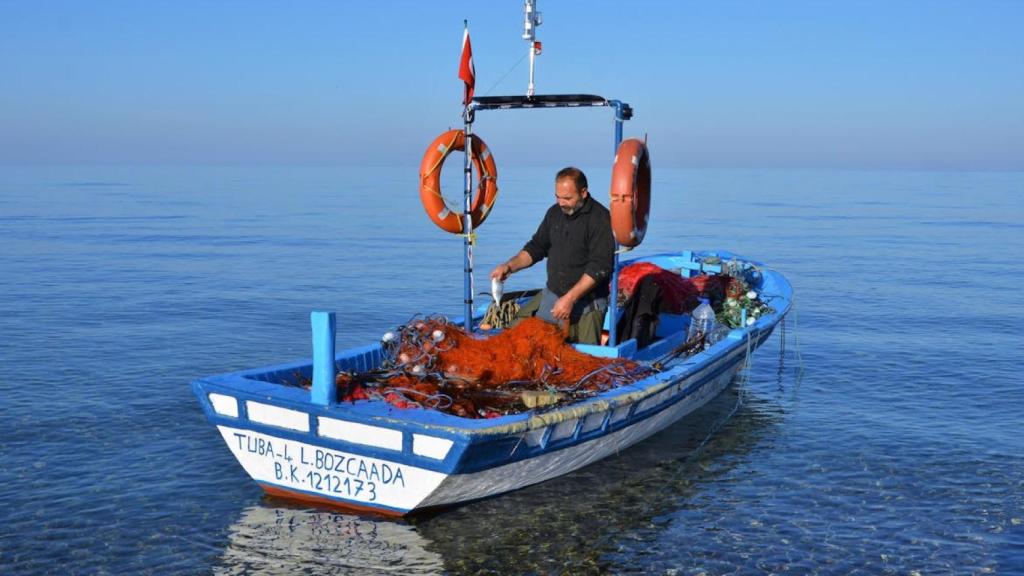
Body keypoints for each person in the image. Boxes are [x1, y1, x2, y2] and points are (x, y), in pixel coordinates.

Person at [490, 167, 615, 344]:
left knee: (582, 361)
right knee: (519, 339)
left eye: (567, 198)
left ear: (583, 192)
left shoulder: (601, 219)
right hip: (553, 294)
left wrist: (570, 298)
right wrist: (509, 266)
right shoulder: (554, 213)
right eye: (557, 196)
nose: (561, 202)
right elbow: (536, 247)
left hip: (588, 303)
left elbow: (599, 267)